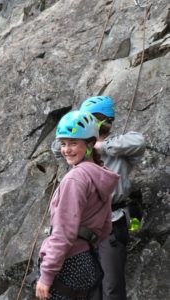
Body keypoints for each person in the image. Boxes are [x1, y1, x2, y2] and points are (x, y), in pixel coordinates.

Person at [51, 96, 146, 300]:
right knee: (90, 286)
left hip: (112, 221)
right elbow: (57, 147)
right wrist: (82, 138)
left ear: (103, 120)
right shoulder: (80, 148)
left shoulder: (119, 147)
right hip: (83, 228)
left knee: (111, 284)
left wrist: (99, 146)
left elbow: (139, 142)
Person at [36, 110, 119, 300]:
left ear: (90, 144)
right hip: (87, 262)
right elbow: (106, 225)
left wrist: (47, 275)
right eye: (63, 144)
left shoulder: (75, 179)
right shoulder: (99, 175)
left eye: (73, 143)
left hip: (68, 262)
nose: (66, 150)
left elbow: (63, 232)